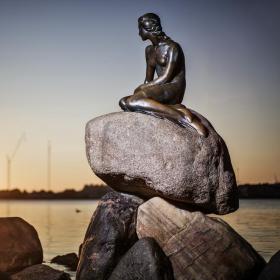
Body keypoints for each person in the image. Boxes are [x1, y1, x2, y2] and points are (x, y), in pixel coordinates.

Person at [119, 13, 208, 137]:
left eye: (140, 28)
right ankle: (174, 109)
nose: (139, 33)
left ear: (147, 27)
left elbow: (167, 77)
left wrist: (141, 89)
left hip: (173, 88)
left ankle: (183, 117)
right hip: (159, 87)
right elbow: (148, 80)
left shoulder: (173, 47)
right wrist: (141, 89)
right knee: (124, 102)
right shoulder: (149, 50)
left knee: (133, 101)